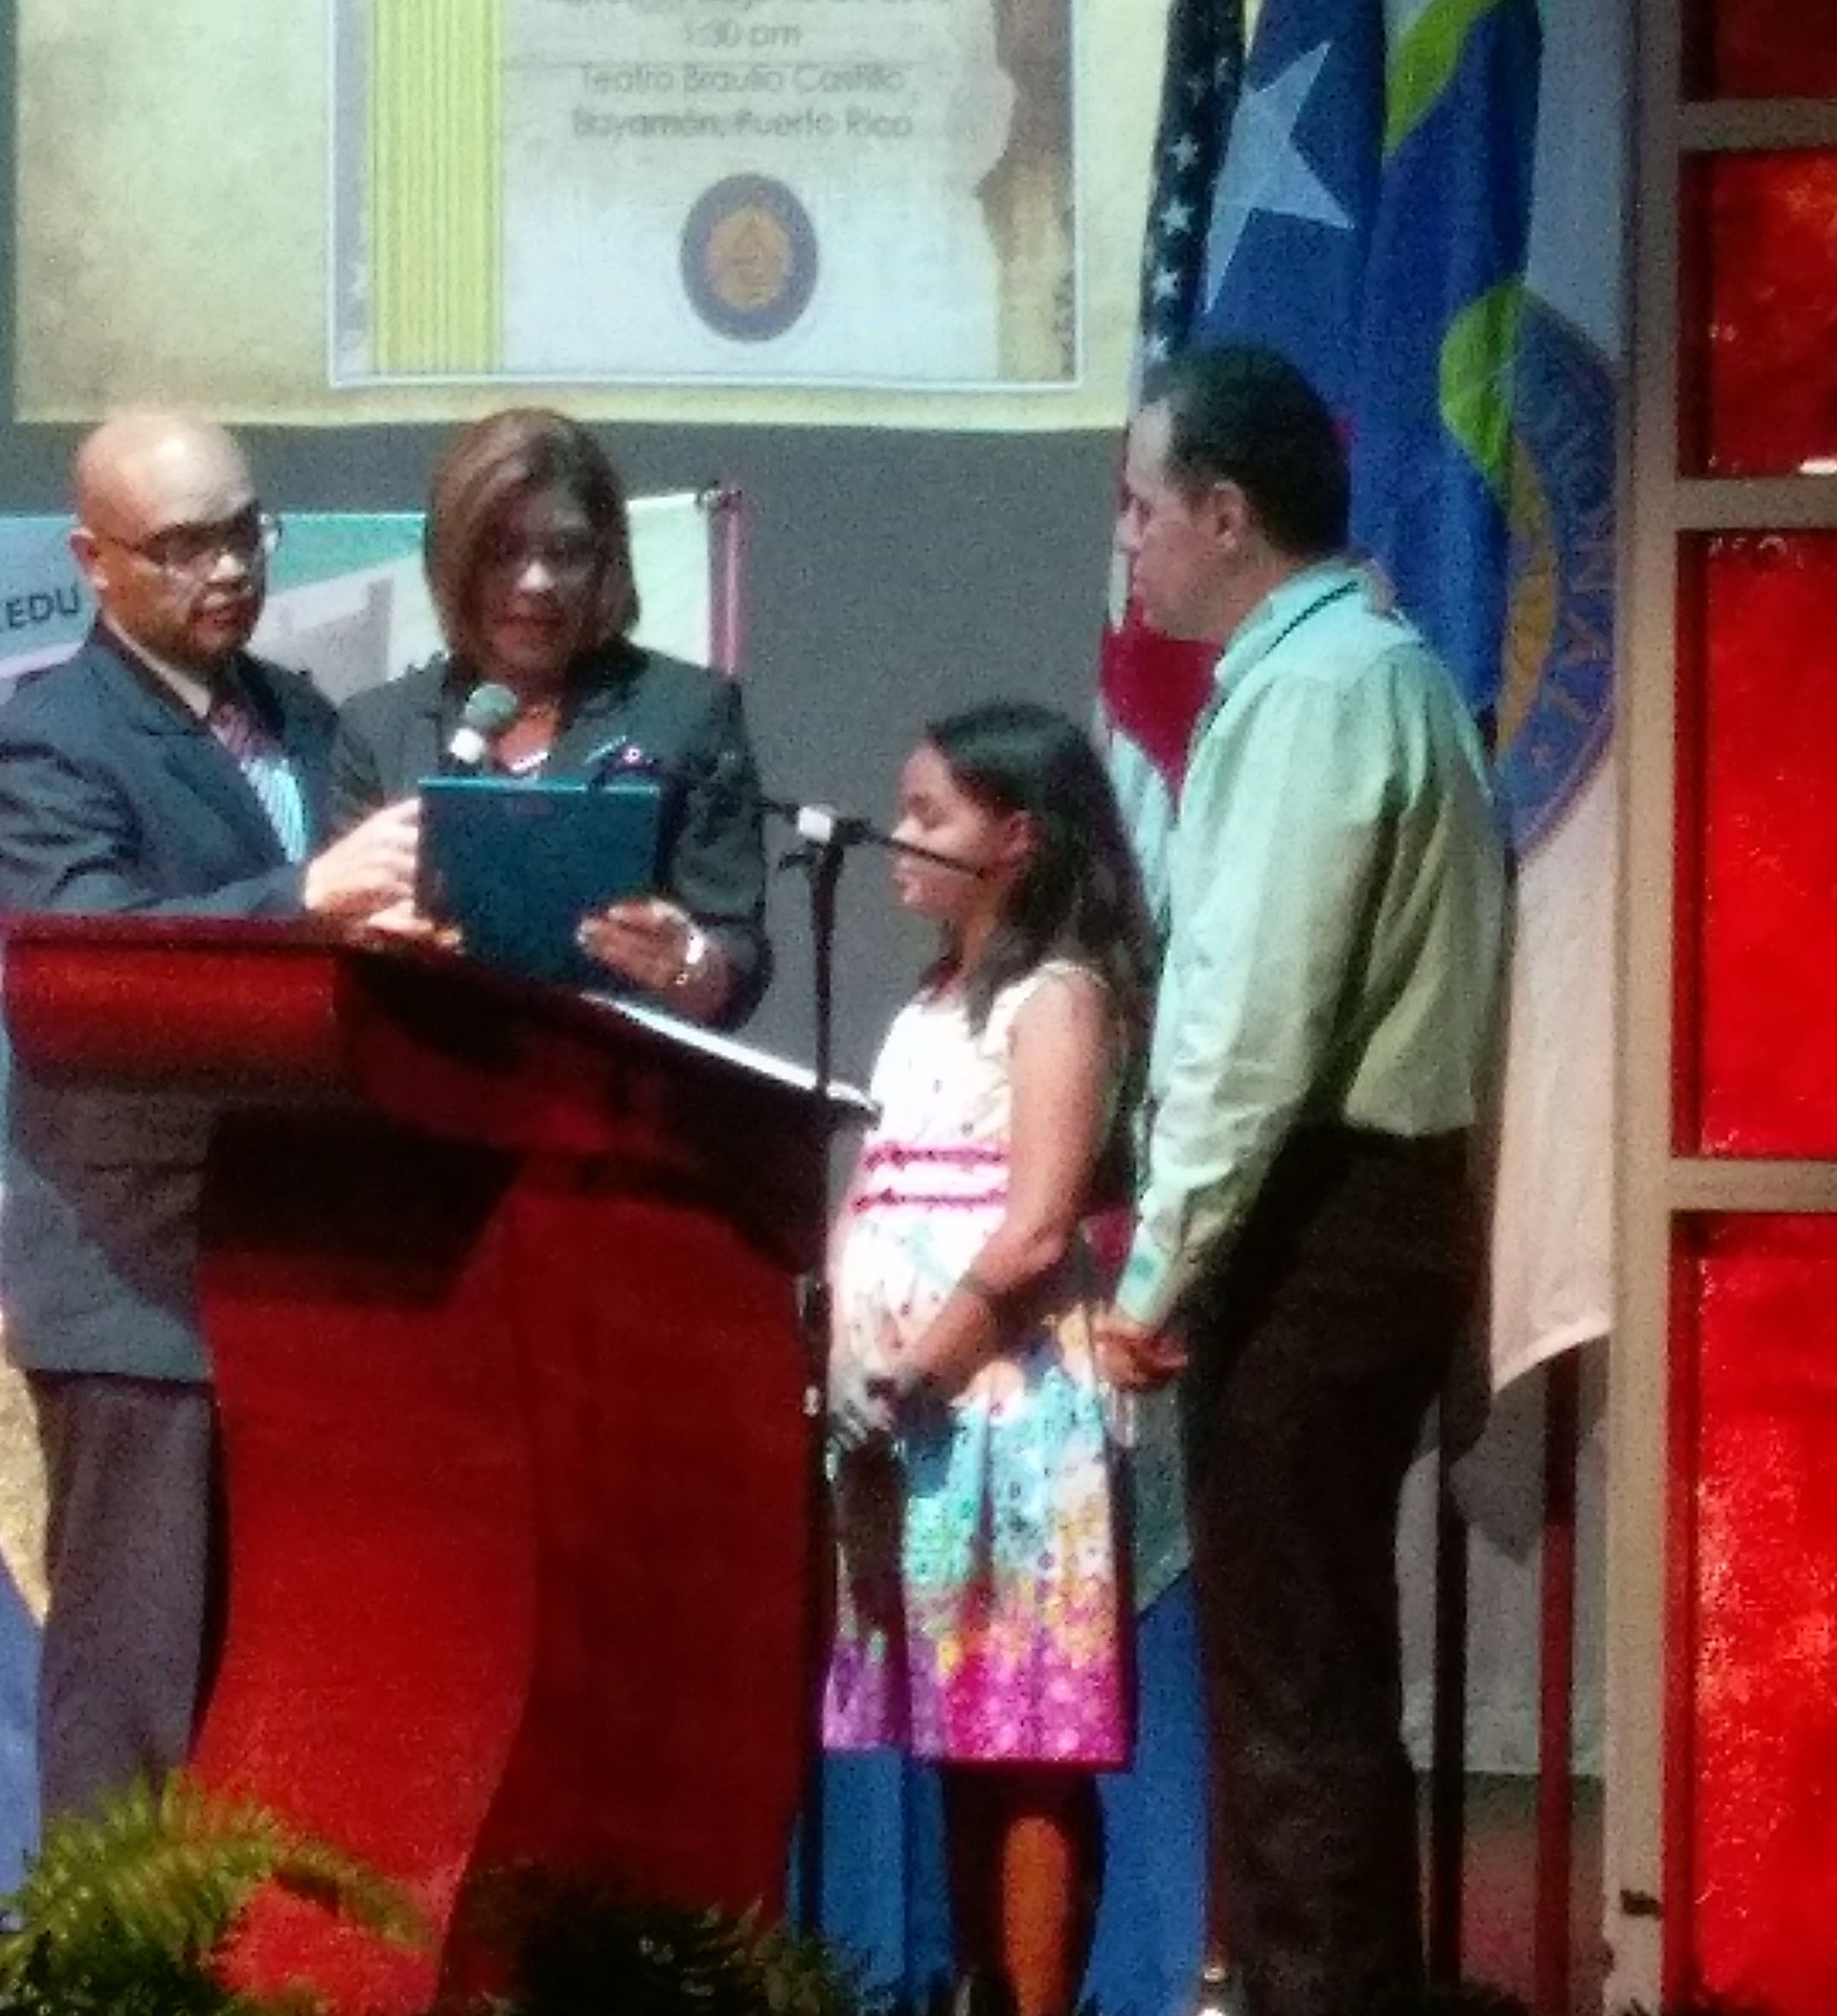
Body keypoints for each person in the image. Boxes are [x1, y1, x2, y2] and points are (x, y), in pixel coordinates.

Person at [1090, 344, 1509, 2016]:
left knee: (1292, 1681)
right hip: (1354, 1214)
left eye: (1140, 506)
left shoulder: (1324, 689)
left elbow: (1253, 1019)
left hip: (1329, 1219)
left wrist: (1156, 1274)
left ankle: (1319, 1994)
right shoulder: (1349, 672)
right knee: (1305, 1665)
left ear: (1223, 510)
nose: (1127, 542)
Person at [0, 410, 426, 1822]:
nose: (227, 567)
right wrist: (310, 897)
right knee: (137, 1689)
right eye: (183, 545)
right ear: (90, 560)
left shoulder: (306, 717)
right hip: (140, 1284)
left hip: (308, 1274)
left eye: (246, 529)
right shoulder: (42, 741)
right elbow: (99, 966)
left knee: (280, 1688)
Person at [820, 699, 1156, 2016]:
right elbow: (882, 1185)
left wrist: (922, 1364)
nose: (897, 837)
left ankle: (1029, 1998)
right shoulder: (928, 1001)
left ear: (1014, 839)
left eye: (928, 816)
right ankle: (968, 1986)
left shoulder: (1055, 996)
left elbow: (1033, 1230)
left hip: (1006, 1408)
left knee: (1027, 1738)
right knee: (958, 1732)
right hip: (905, 1416)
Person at [329, 407, 770, 1028]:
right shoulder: (378, 727)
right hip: (420, 1082)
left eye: (565, 552)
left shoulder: (687, 712)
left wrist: (690, 963)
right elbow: (337, 944)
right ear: (456, 561)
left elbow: (738, 956)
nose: (536, 581)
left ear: (605, 561)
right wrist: (374, 942)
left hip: (615, 1087)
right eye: (503, 552)